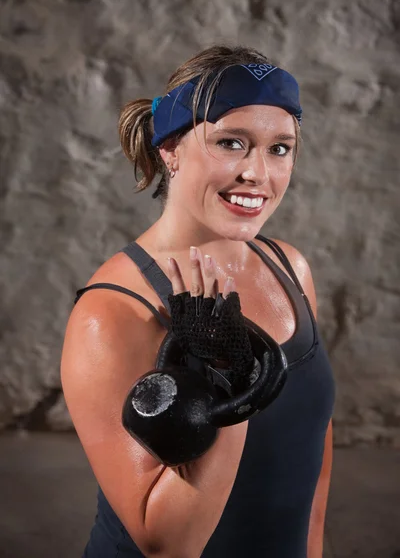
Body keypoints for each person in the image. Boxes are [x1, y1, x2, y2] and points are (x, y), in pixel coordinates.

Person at [61, 44, 335, 558]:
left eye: (280, 148)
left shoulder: (290, 268)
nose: (258, 173)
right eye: (231, 143)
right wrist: (224, 378)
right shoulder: (112, 312)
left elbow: (313, 447)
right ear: (170, 150)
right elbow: (167, 543)